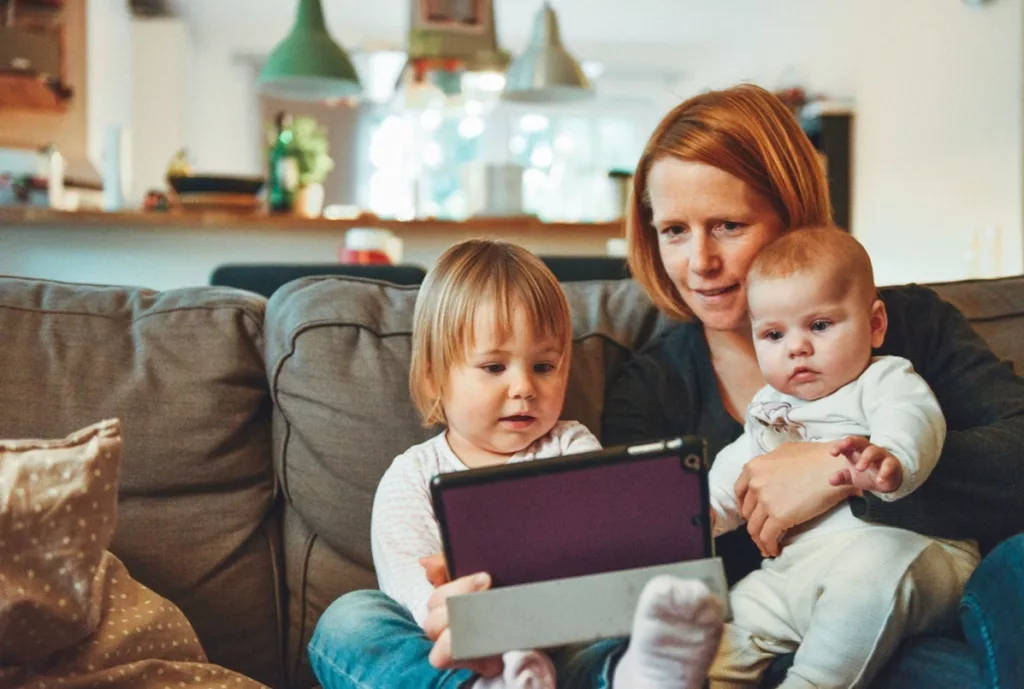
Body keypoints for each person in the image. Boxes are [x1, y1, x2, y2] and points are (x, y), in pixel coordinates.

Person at [600, 84, 1024, 687]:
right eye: (674, 230)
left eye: (728, 225)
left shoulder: (909, 327)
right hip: (779, 634)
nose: (700, 262)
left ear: (792, 215)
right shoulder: (650, 387)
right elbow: (649, 558)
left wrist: (836, 471)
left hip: (940, 604)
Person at [309, 238, 726, 689]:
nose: (524, 387)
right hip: (463, 652)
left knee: (625, 626)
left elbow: (596, 559)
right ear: (433, 377)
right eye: (494, 367)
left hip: (564, 645)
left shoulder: (571, 446)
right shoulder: (410, 477)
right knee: (350, 619)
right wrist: (477, 621)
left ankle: (634, 677)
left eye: (544, 367)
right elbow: (417, 597)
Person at [706, 226, 980, 688]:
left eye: (819, 325)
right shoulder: (769, 407)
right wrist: (705, 513)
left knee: (868, 575)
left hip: (908, 554)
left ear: (875, 325)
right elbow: (742, 466)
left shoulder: (883, 379)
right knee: (729, 621)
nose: (797, 347)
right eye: (773, 334)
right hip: (798, 569)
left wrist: (892, 458)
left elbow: (912, 417)